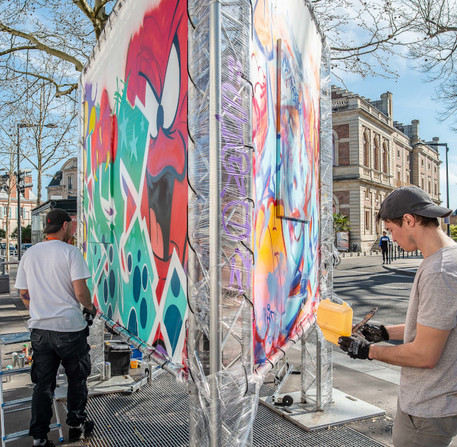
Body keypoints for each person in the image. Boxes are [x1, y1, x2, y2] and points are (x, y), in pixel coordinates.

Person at [338, 185, 457, 447]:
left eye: (391, 230)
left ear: (409, 220)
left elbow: (424, 355)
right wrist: (384, 332)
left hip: (428, 406)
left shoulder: (440, 271)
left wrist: (368, 351)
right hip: (434, 400)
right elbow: (432, 327)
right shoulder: (446, 258)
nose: (391, 238)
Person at [14, 209, 96, 447]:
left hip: (40, 331)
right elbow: (80, 292)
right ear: (64, 226)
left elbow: (23, 292)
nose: (72, 230)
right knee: (77, 379)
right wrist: (90, 307)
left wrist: (37, 309)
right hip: (69, 329)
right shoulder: (71, 252)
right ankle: (76, 424)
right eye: (70, 226)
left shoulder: (30, 254)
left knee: (43, 384)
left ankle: (39, 437)